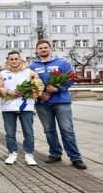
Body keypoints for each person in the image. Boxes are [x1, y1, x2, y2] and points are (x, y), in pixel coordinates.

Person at [29, 39, 87, 170]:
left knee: (67, 130)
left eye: (45, 47)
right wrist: (39, 94)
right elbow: (30, 84)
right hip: (42, 103)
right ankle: (55, 153)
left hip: (61, 101)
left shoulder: (62, 63)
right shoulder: (32, 67)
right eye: (40, 48)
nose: (43, 50)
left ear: (50, 48)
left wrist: (57, 89)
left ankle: (76, 158)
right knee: (49, 130)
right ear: (37, 51)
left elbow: (71, 79)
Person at [0, 51, 42, 166]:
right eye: (12, 59)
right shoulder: (1, 74)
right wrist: (8, 91)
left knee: (28, 133)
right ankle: (12, 153)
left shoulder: (30, 72)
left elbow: (39, 86)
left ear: (21, 60)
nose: (14, 61)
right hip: (8, 108)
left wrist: (27, 91)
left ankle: (29, 154)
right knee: (10, 133)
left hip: (26, 107)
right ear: (8, 60)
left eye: (16, 59)